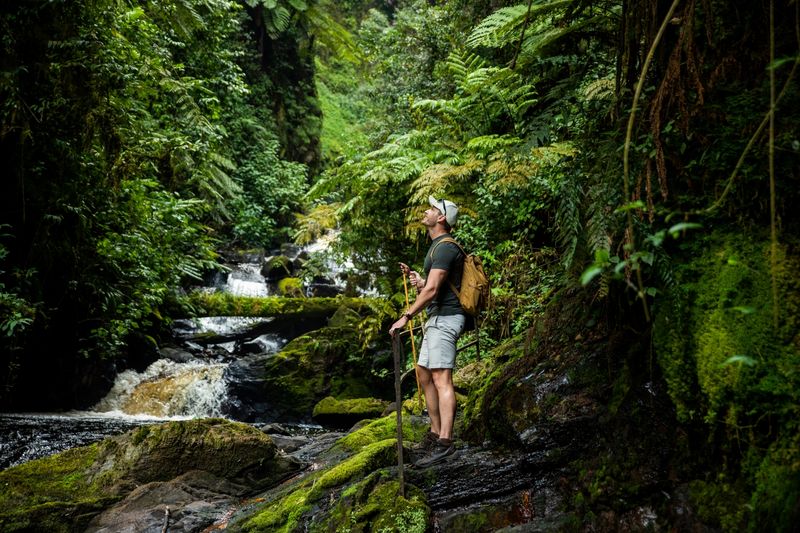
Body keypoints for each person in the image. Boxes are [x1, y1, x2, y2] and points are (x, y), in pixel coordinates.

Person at [389, 195, 466, 467]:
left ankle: (446, 442)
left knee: (442, 377)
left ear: (441, 218)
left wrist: (406, 317)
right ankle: (435, 434)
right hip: (437, 317)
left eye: (432, 209)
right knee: (423, 372)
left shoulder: (446, 248)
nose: (426, 211)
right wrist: (419, 281)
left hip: (446, 319)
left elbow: (434, 291)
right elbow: (431, 287)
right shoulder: (436, 247)